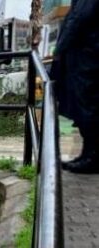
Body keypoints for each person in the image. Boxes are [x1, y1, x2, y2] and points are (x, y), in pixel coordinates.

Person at [52, 0, 99, 173]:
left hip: (87, 59)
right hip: (85, 57)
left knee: (88, 108)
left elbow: (79, 18)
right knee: (85, 109)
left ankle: (92, 157)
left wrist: (60, 48)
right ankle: (87, 154)